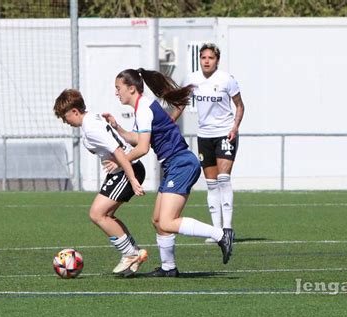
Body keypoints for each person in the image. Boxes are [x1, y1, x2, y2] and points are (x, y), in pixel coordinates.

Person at [102, 68, 227, 277]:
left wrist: (119, 160)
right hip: (173, 165)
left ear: (131, 89)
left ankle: (220, 234)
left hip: (181, 163)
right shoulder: (142, 106)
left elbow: (142, 148)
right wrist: (118, 128)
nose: (117, 93)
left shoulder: (143, 109)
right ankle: (169, 268)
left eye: (118, 88)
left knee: (168, 221)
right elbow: (140, 139)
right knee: (158, 221)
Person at [53, 89, 147, 277]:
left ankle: (130, 254)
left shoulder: (91, 127)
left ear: (75, 111)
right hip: (121, 171)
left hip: (127, 170)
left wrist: (132, 179)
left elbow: (119, 151)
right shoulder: (92, 119)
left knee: (97, 214)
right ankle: (133, 252)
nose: (65, 121)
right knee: (106, 215)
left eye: (65, 117)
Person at [174, 43, 245, 263]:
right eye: (203, 57)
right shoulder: (192, 78)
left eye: (210, 58)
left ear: (217, 60)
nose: (206, 61)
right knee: (211, 184)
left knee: (224, 179)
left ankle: (228, 228)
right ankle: (216, 232)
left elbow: (240, 105)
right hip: (203, 136)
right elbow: (181, 103)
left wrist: (235, 127)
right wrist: (169, 122)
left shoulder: (226, 79)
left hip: (225, 134)